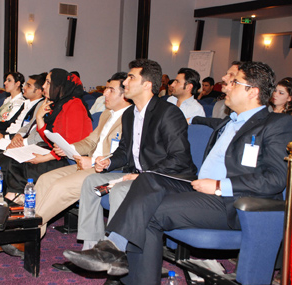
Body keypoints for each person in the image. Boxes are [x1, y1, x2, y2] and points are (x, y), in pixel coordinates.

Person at [63, 61, 292, 285]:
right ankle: (118, 257)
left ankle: (112, 251)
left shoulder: (276, 124)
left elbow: (276, 178)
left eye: (233, 83)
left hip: (234, 202)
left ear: (253, 91)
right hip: (200, 190)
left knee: (146, 210)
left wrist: (222, 186)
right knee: (147, 183)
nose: (225, 86)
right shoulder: (228, 123)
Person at [72, 59, 196, 256]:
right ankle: (91, 247)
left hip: (164, 179)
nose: (125, 83)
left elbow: (179, 159)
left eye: (131, 78)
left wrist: (144, 175)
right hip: (136, 175)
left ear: (147, 85)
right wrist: (109, 161)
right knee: (91, 182)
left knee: (121, 189)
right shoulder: (130, 114)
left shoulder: (168, 113)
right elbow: (124, 151)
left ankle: (113, 253)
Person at [34, 72, 131, 238]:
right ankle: (31, 230)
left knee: (60, 187)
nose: (104, 93)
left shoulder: (131, 118)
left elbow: (123, 155)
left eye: (111, 90)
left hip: (109, 170)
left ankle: (28, 230)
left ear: (125, 95)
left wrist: (92, 162)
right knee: (45, 180)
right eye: (106, 89)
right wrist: (69, 148)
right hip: (89, 164)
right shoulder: (107, 114)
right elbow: (90, 142)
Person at [0, 68, 93, 199]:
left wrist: (44, 158)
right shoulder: (58, 104)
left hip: (68, 159)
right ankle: (11, 197)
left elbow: (70, 145)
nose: (44, 86)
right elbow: (49, 138)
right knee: (14, 160)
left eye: (48, 82)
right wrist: (39, 118)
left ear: (58, 86)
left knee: (22, 164)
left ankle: (14, 199)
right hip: (54, 152)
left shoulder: (74, 105)